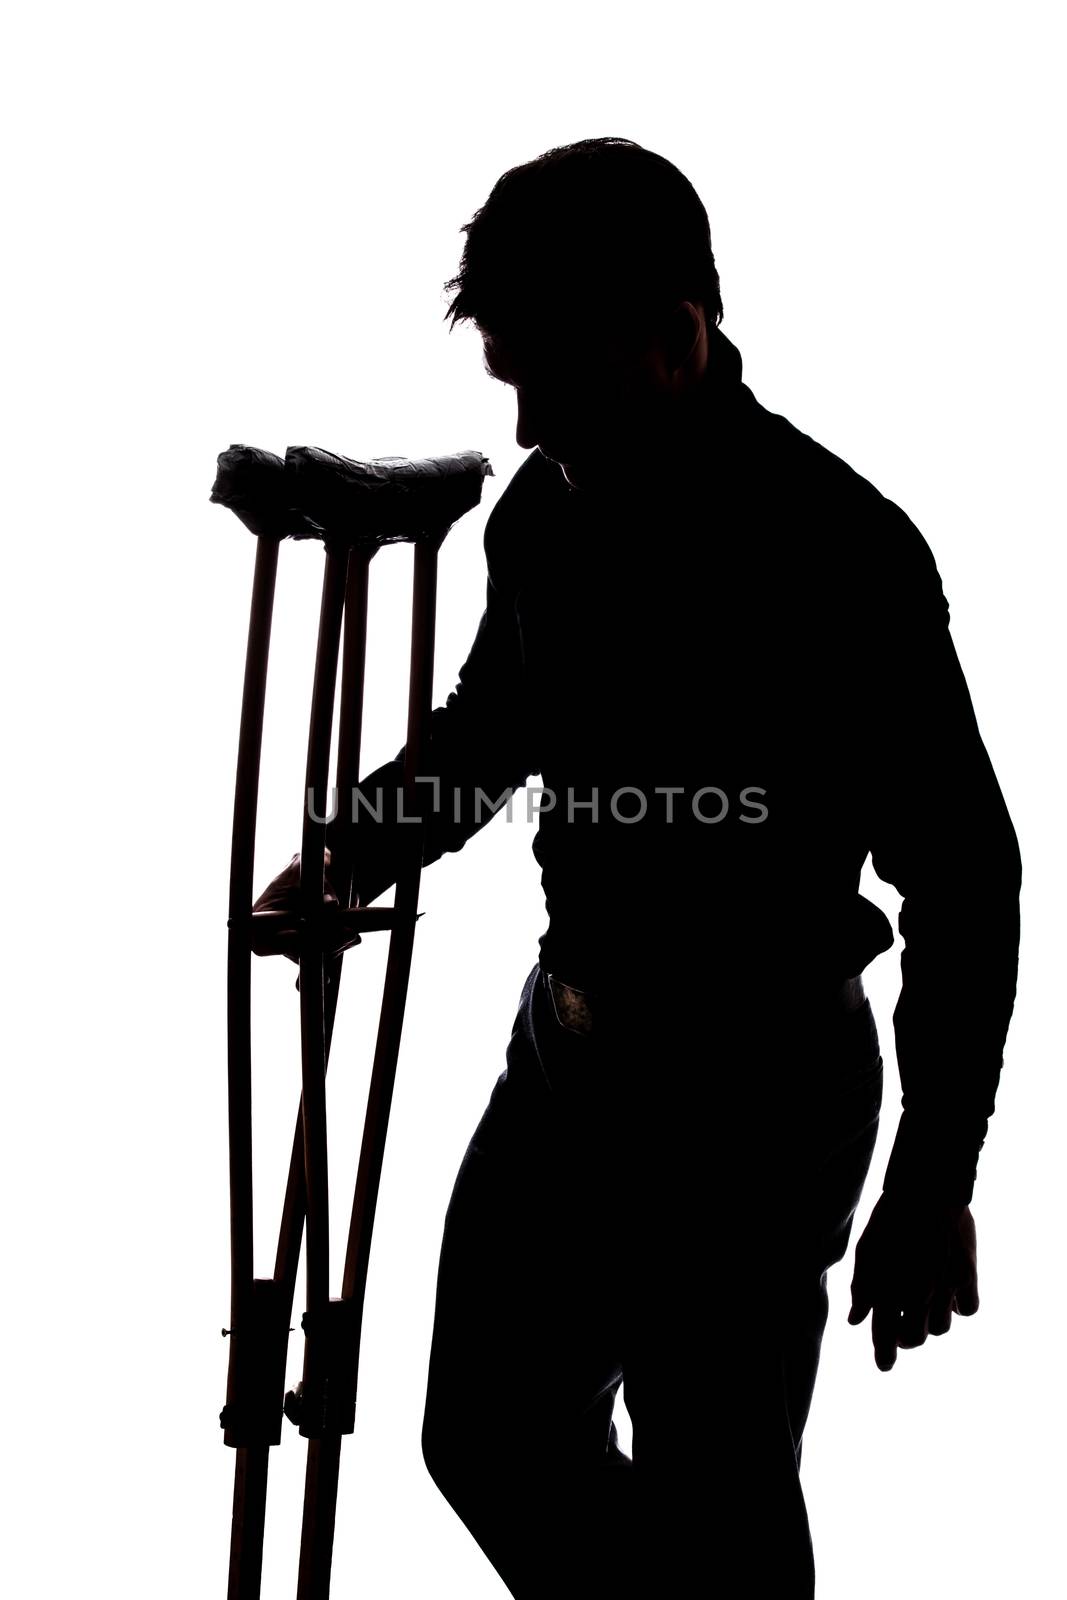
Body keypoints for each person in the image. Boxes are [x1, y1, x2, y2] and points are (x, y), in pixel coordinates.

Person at [251, 137, 1023, 1596]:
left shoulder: (845, 554)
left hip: (754, 1100)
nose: (530, 422)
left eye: (555, 373)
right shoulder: (548, 515)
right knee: (485, 1436)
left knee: (717, 1490)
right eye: (510, 380)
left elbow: (967, 881)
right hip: (571, 1063)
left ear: (676, 340)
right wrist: (355, 844)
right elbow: (496, 726)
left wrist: (933, 1179)